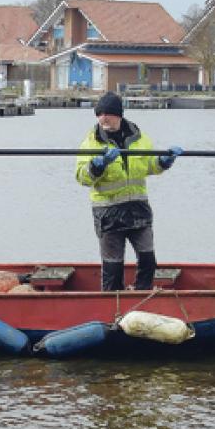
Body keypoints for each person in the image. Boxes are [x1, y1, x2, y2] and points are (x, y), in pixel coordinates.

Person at [75, 91, 182, 291]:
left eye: (108, 113)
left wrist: (164, 161)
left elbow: (149, 166)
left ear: (119, 115)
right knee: (113, 267)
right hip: (108, 213)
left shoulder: (140, 139)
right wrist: (97, 165)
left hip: (138, 211)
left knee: (148, 259)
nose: (103, 118)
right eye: (100, 114)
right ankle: (111, 306)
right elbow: (82, 177)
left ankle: (142, 297)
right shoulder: (91, 143)